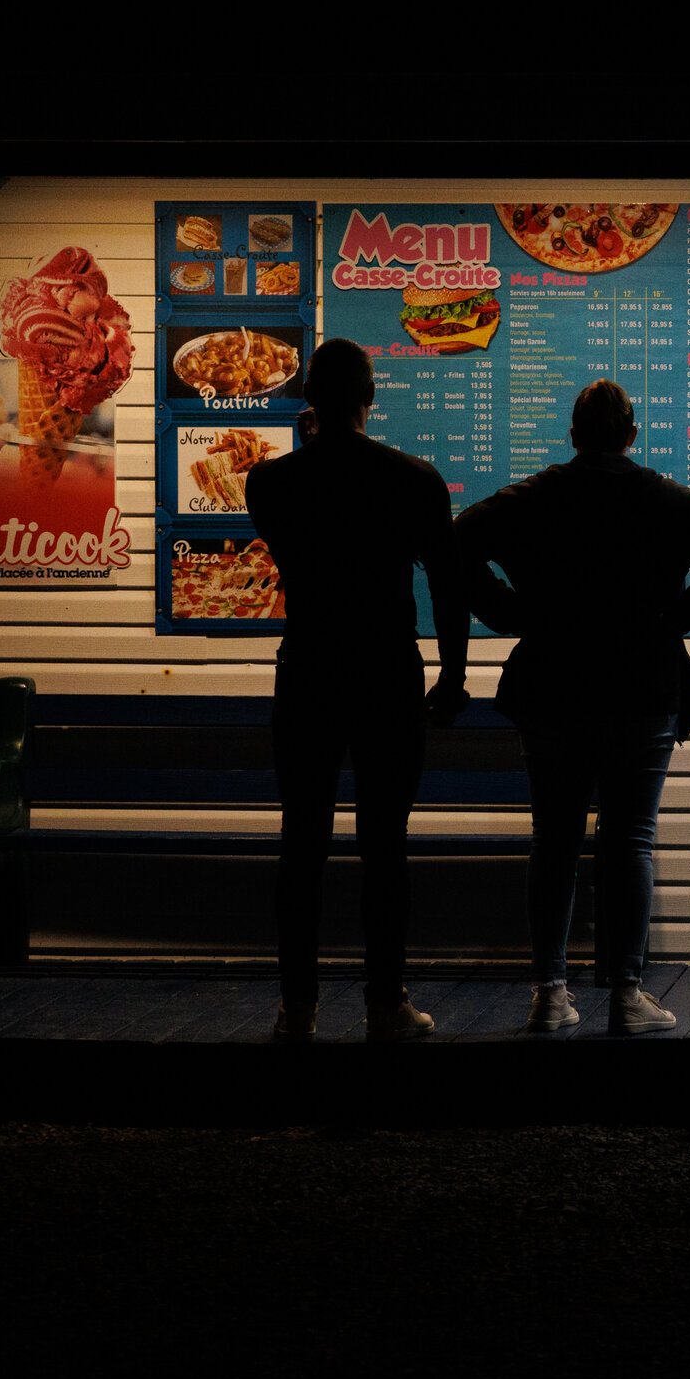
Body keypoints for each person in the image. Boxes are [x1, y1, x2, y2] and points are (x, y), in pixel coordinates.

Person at [453, 380, 690, 1035]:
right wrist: (675, 616)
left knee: (556, 839)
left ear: (573, 434)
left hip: (552, 681)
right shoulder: (662, 496)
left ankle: (549, 993)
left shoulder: (535, 497)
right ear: (631, 433)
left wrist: (509, 612)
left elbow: (455, 547)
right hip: (641, 681)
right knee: (630, 838)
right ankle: (626, 993)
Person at [245, 338, 469, 1044]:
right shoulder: (415, 481)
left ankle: (299, 1007)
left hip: (308, 666)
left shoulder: (269, 484)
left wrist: (313, 442)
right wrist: (454, 673)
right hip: (385, 671)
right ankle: (384, 1003)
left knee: (302, 844)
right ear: (372, 396)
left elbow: (295, 523)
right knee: (384, 846)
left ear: (311, 397)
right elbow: (447, 583)